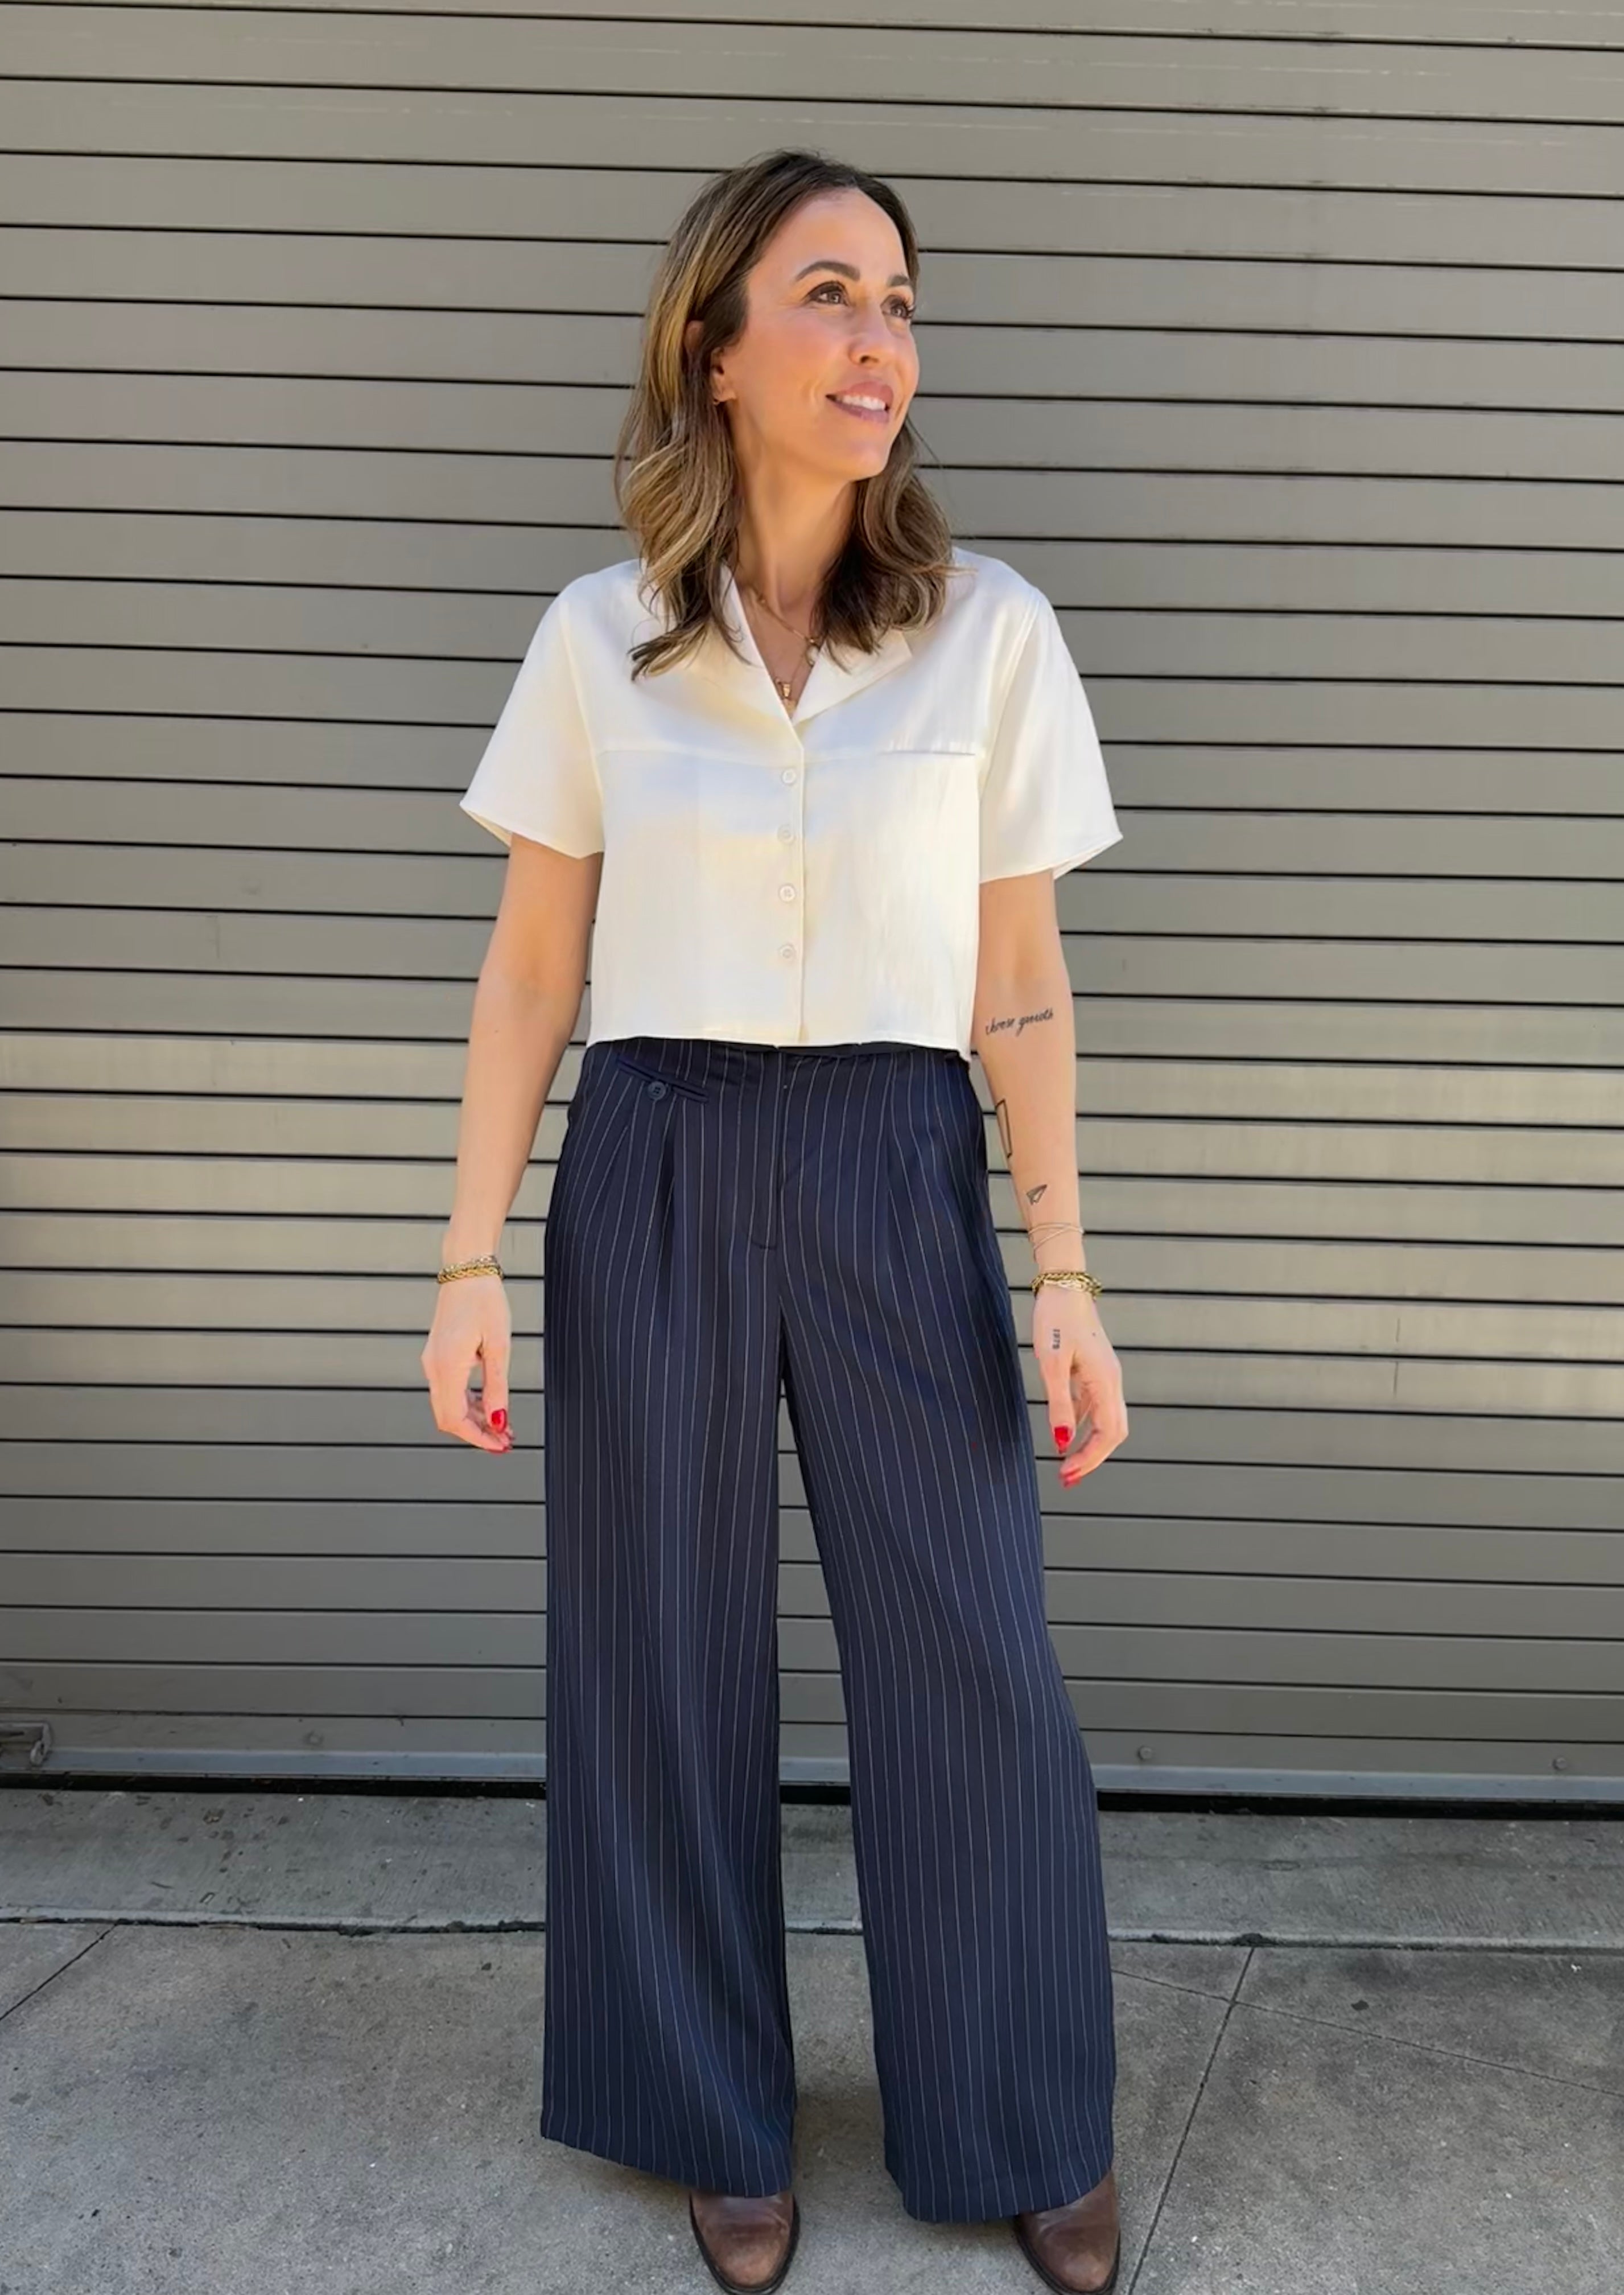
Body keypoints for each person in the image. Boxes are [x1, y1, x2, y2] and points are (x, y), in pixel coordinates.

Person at [422, 147, 1128, 2295]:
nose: (880, 341)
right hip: (656, 1155)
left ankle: (1016, 2105)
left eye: (903, 302)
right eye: (831, 295)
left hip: (903, 1164)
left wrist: (1071, 1266)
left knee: (974, 1658)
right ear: (715, 351)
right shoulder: (597, 640)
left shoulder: (987, 632)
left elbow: (1020, 981)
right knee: (658, 1653)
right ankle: (706, 2108)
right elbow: (535, 967)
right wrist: (462, 1257)